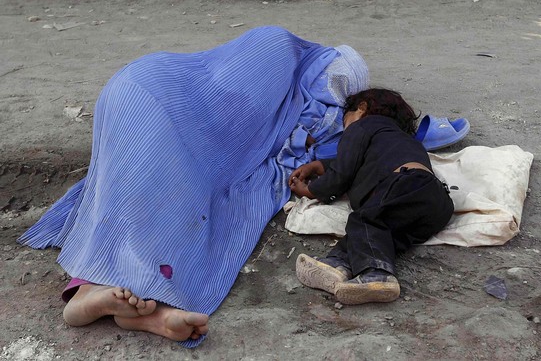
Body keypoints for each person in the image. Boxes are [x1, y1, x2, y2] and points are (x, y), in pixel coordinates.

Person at [17, 26, 369, 346]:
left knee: (153, 189)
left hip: (141, 92)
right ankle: (88, 287)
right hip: (153, 99)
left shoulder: (294, 83)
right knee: (175, 187)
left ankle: (147, 312)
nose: (327, 102)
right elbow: (238, 116)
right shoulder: (279, 46)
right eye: (331, 87)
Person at [289, 88, 454, 305]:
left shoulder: (363, 125)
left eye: (345, 121)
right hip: (437, 204)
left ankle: (377, 275)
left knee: (364, 220)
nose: (345, 128)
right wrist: (321, 165)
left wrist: (311, 191)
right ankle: (338, 264)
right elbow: (362, 162)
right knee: (381, 233)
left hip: (405, 185)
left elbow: (343, 173)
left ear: (362, 108)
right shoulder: (398, 140)